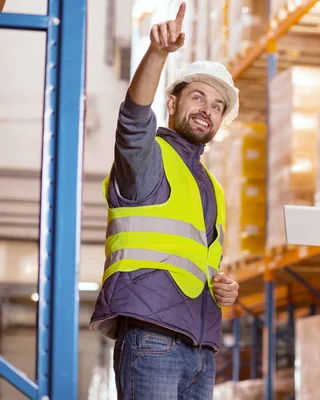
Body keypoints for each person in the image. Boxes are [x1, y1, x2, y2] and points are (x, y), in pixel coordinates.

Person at [89, 3, 240, 399]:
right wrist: (158, 53)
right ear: (172, 104)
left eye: (217, 106)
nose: (206, 110)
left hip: (200, 347)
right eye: (197, 97)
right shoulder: (149, 158)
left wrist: (222, 288)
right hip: (153, 337)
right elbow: (134, 120)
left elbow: (198, 263)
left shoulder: (211, 186)